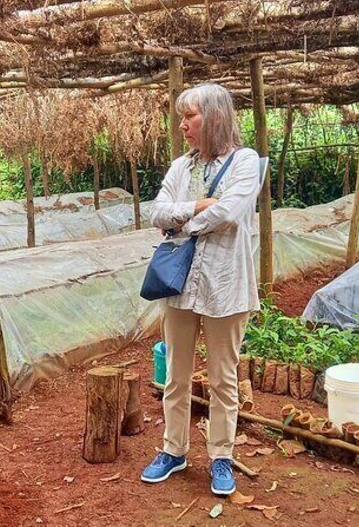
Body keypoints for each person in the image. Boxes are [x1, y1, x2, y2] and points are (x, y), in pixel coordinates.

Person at [140, 84, 261, 496]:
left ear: (214, 116)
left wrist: (180, 223)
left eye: (189, 116)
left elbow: (230, 213)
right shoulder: (181, 168)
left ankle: (221, 456)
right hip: (180, 285)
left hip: (226, 286)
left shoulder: (246, 162)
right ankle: (173, 451)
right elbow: (156, 212)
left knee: (223, 377)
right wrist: (195, 208)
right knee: (175, 373)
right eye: (181, 117)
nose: (182, 125)